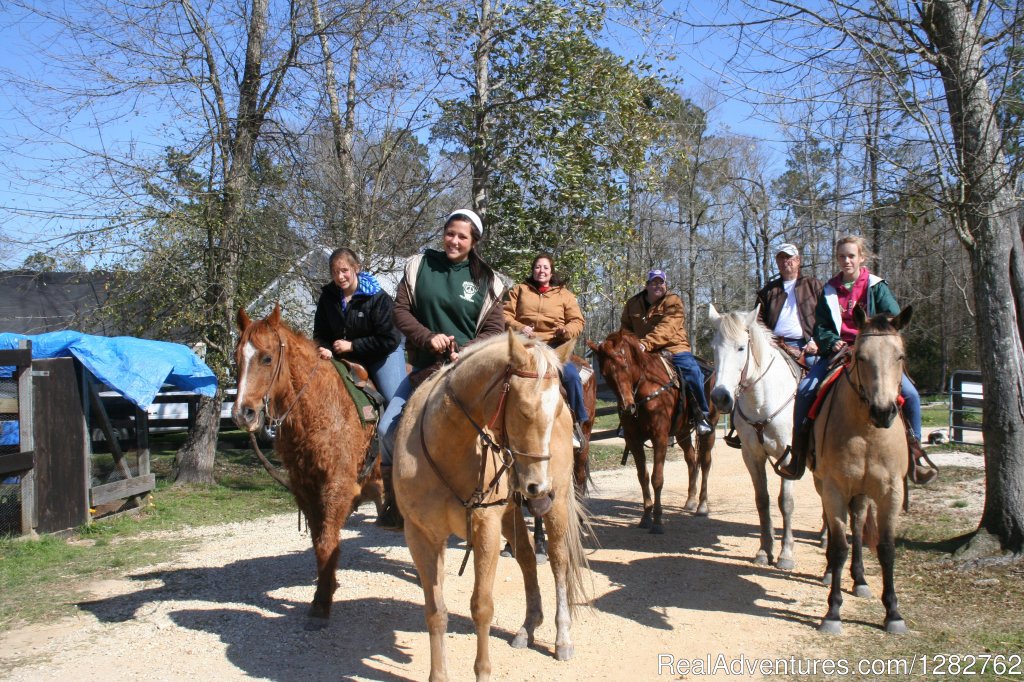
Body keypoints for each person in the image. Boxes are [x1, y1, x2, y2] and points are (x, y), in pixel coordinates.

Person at [376, 209, 507, 528]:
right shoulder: (419, 266)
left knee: (508, 426)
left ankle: (514, 498)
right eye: (450, 233)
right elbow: (401, 313)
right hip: (424, 369)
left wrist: (465, 351)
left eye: (462, 236)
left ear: (473, 241)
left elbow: (494, 329)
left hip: (468, 374)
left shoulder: (488, 280)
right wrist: (428, 337)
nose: (454, 240)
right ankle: (395, 501)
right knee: (385, 430)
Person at [773, 235, 937, 483]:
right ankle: (798, 455)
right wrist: (830, 341)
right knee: (806, 390)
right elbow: (821, 327)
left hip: (874, 353)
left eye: (851, 256)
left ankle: (915, 454)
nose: (846, 260)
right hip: (840, 352)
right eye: (842, 256)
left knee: (911, 395)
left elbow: (893, 318)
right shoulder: (829, 289)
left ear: (861, 258)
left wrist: (873, 334)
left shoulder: (875, 286)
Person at [504, 252, 589, 446]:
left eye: (545, 268)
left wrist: (565, 330)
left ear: (551, 272)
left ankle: (578, 422)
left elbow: (578, 321)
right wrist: (520, 327)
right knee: (500, 375)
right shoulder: (519, 290)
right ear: (533, 270)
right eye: (537, 267)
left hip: (553, 346)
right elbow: (505, 315)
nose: (541, 270)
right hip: (525, 345)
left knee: (571, 376)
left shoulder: (564, 294)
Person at [620, 269, 713, 435]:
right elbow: (625, 327)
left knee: (692, 371)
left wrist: (645, 343)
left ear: (665, 284)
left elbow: (667, 328)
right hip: (643, 350)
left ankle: (701, 415)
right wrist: (630, 344)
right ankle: (627, 419)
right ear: (647, 285)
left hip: (673, 347)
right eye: (653, 282)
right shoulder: (633, 303)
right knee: (622, 373)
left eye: (661, 282)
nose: (658, 285)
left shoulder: (673, 301)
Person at [313, 247, 405, 404]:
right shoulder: (327, 298)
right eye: (335, 272)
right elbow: (320, 333)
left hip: (383, 354)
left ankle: (401, 425)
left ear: (356, 268)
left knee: (395, 400)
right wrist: (326, 348)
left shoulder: (378, 297)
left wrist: (352, 346)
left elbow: (389, 339)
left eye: (344, 270)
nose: (340, 277)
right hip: (344, 356)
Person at [755, 243, 823, 365]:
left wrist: (814, 341)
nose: (785, 261)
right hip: (773, 345)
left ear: (798, 260)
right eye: (781, 258)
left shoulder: (814, 286)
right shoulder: (768, 290)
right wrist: (766, 339)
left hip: (805, 345)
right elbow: (757, 319)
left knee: (816, 376)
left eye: (788, 257)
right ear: (776, 262)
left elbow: (826, 317)